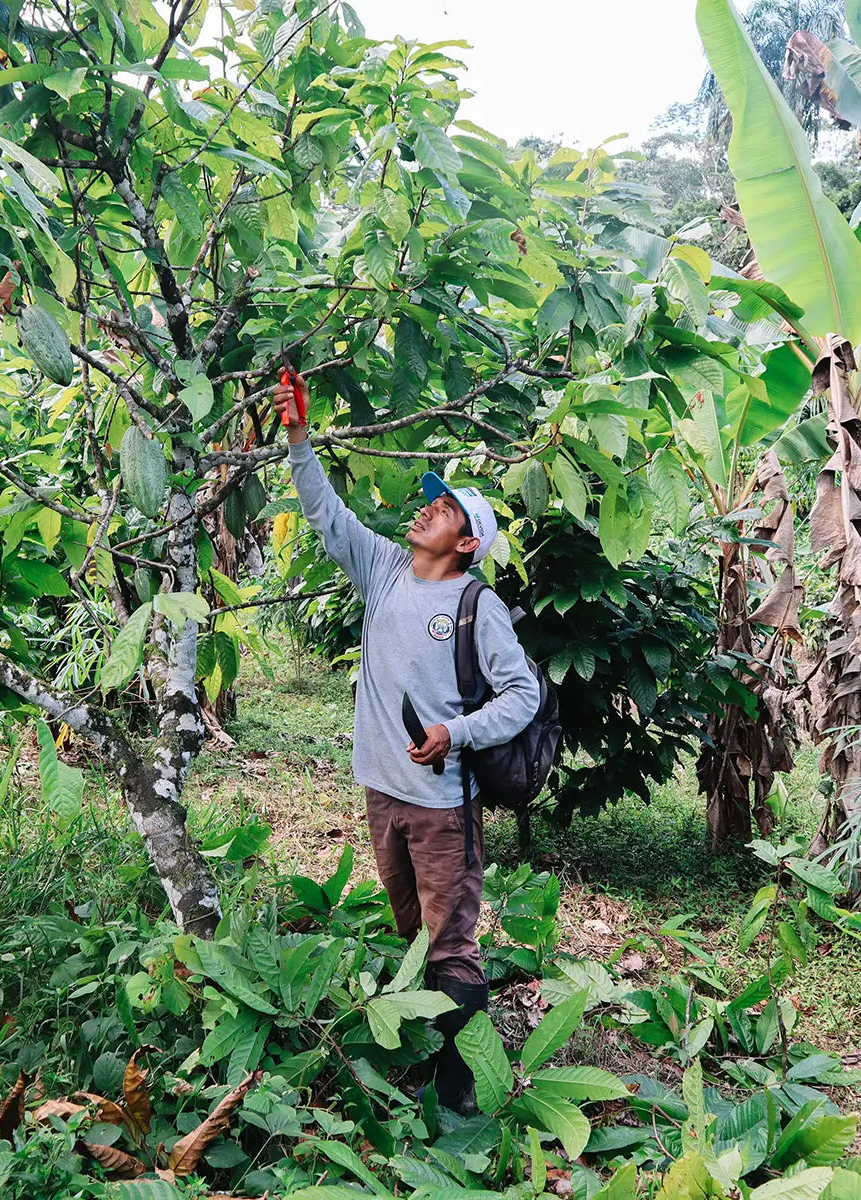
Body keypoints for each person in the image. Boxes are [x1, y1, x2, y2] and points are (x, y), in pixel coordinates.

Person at [274, 370, 539, 1114]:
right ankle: (423, 1053)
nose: (427, 509)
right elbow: (325, 514)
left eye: (445, 506)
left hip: (441, 805)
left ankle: (461, 1094)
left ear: (467, 540)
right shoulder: (386, 571)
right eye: (433, 499)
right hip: (382, 791)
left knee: (450, 939)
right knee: (408, 931)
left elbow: (521, 694)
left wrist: (456, 732)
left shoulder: (473, 604)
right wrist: (299, 434)